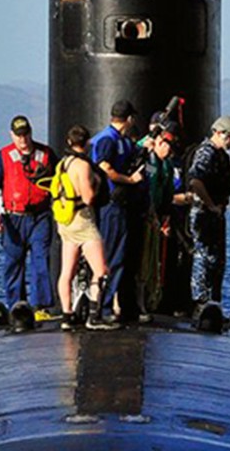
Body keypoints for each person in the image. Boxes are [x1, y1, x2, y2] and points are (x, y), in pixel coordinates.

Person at [0, 115, 57, 316]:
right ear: (11, 136)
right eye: (18, 136)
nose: (23, 140)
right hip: (13, 218)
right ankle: (17, 307)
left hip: (40, 216)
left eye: (26, 135)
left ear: (31, 133)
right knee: (14, 263)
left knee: (40, 260)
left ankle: (40, 306)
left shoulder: (46, 154)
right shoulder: (3, 157)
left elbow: (61, 180)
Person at [55, 125, 115, 330]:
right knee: (101, 271)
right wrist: (98, 184)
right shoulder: (83, 165)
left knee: (67, 271)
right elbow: (88, 197)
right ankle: (94, 316)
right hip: (83, 222)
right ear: (87, 143)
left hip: (66, 221)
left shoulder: (64, 163)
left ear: (69, 142)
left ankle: (67, 315)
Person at [90, 99, 143, 322]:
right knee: (112, 257)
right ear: (129, 119)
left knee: (121, 257)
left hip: (122, 207)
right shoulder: (107, 140)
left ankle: (114, 304)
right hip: (110, 205)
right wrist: (130, 180)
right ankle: (103, 308)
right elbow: (105, 168)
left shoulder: (120, 140)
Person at [185, 114, 230, 307]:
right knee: (204, 258)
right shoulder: (206, 153)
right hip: (204, 214)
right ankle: (200, 303)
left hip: (216, 215)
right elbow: (196, 181)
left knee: (217, 262)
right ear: (218, 132)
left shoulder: (222, 156)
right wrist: (210, 205)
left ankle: (213, 303)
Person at [136, 121, 180, 321]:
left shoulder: (167, 165)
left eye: (170, 145)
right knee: (144, 264)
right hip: (145, 219)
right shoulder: (149, 162)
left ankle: (154, 300)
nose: (168, 148)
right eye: (165, 143)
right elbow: (148, 189)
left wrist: (166, 218)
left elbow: (167, 193)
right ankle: (140, 303)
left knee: (154, 264)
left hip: (158, 219)